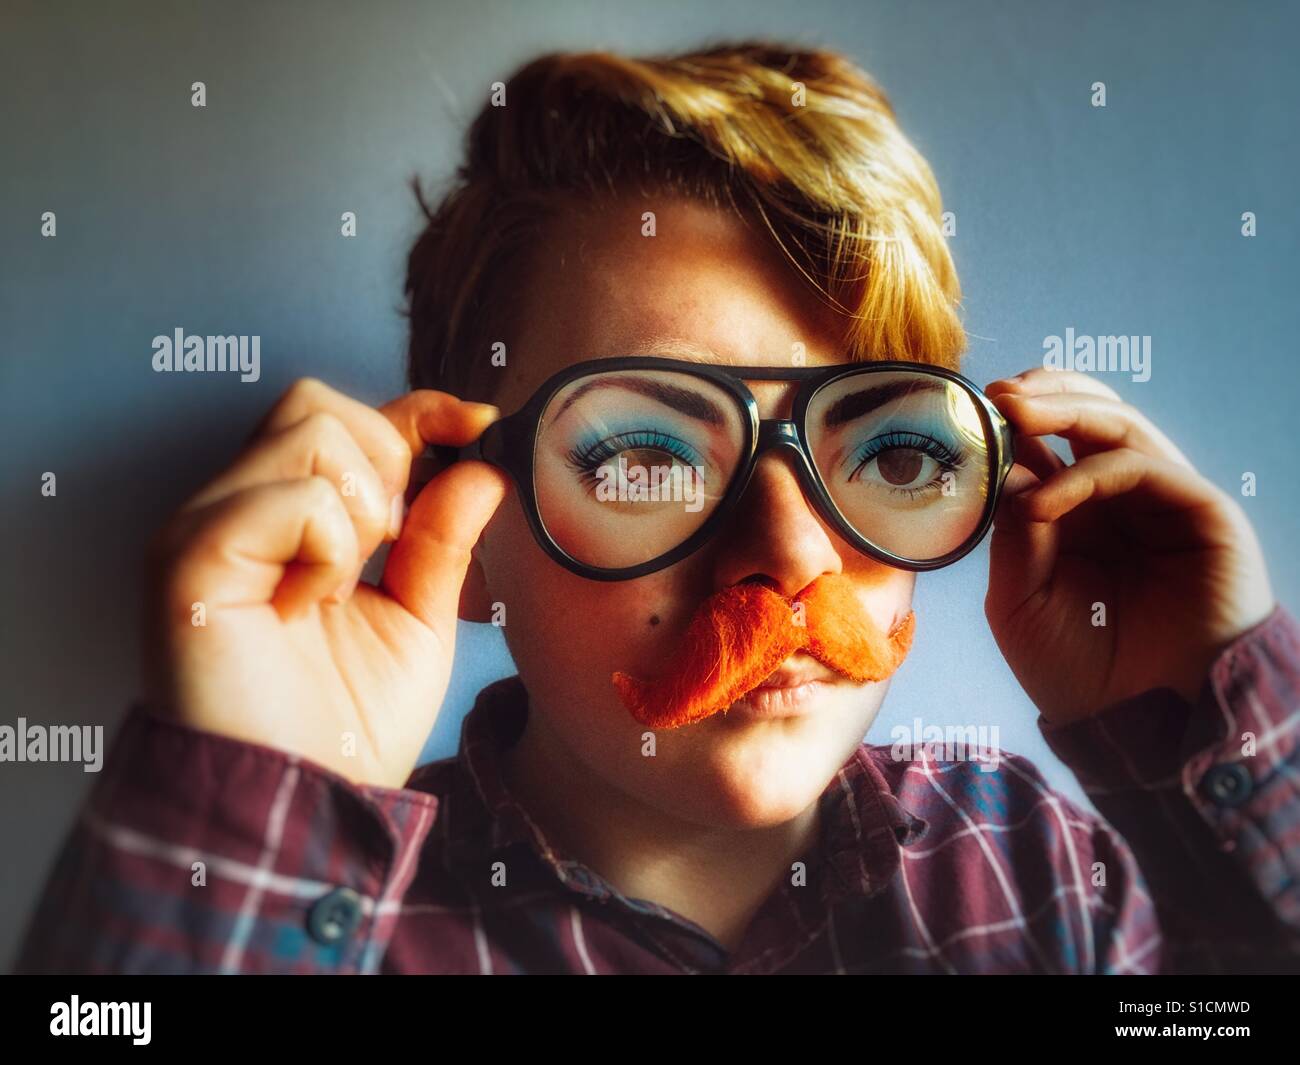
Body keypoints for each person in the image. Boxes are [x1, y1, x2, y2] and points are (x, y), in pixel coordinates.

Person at [15, 41, 1299, 975]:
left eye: (891, 457)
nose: (794, 560)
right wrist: (253, 802)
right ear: (452, 532)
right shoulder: (337, 927)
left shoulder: (1029, 865)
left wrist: (1199, 731)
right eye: (642, 459)